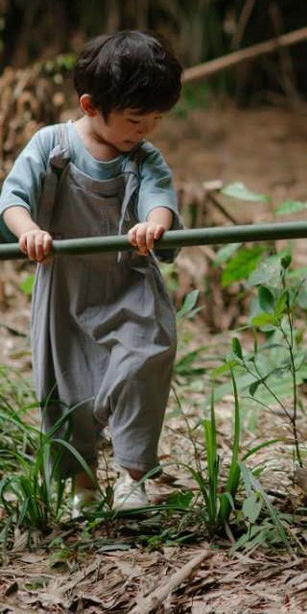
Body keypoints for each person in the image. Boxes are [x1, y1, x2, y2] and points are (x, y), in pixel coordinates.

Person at [0, 30, 183, 517]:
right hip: (66, 289)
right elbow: (12, 198)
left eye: (157, 120)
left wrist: (153, 224)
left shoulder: (142, 158)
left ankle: (132, 479)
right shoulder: (51, 146)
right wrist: (29, 231)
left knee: (145, 359)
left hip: (129, 282)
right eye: (136, 119)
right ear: (90, 104)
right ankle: (84, 487)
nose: (146, 130)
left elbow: (161, 198)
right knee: (69, 389)